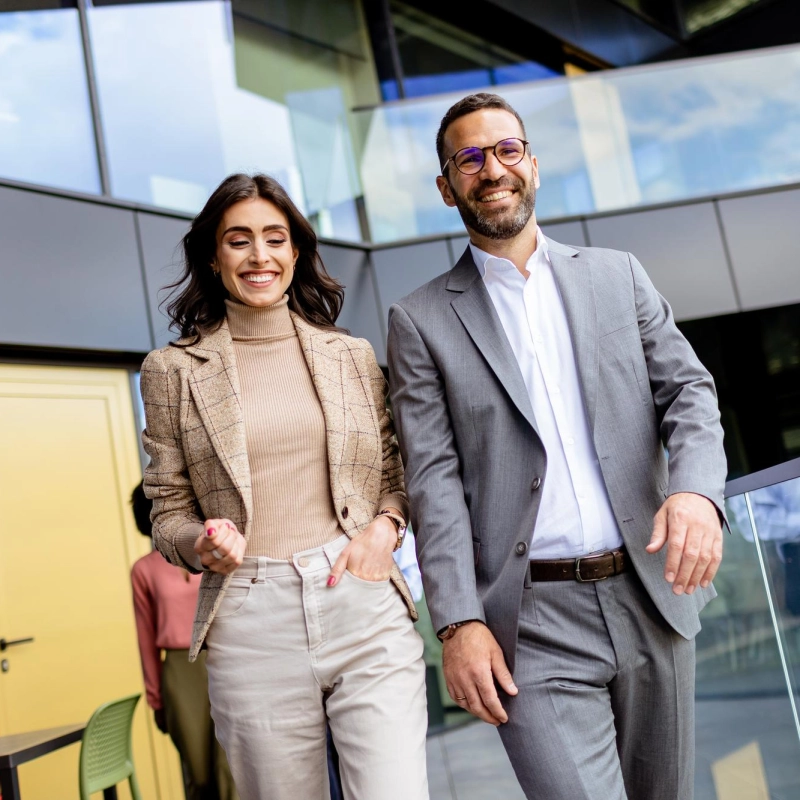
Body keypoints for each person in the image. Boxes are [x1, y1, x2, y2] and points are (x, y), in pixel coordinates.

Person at [387, 92, 727, 800]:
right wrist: (457, 622)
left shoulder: (618, 275)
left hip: (649, 592)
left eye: (507, 150)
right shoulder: (418, 321)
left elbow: (689, 393)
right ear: (447, 187)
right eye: (470, 158)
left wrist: (695, 491)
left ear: (532, 164)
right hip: (530, 627)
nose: (493, 169)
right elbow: (433, 481)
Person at [140, 173, 429, 800]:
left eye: (275, 239)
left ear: (296, 252)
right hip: (250, 616)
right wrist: (199, 543)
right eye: (238, 240)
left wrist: (385, 528)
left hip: (360, 599)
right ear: (214, 258)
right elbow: (167, 508)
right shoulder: (172, 371)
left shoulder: (349, 354)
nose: (259, 256)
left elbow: (395, 469)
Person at [129, 480, 237, 800]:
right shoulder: (143, 571)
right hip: (180, 672)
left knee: (230, 766)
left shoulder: (216, 553)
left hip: (223, 656)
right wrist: (156, 699)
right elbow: (145, 640)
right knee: (200, 774)